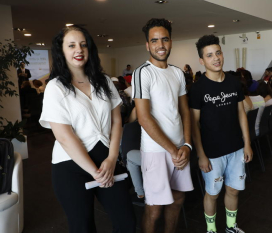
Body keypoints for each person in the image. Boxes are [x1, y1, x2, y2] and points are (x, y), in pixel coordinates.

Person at [39, 25, 136, 233]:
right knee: (82, 227)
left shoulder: (104, 81)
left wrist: (111, 159)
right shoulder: (55, 87)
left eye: (83, 45)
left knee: (126, 222)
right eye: (71, 45)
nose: (79, 50)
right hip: (70, 167)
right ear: (62, 51)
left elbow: (117, 122)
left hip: (107, 160)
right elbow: (64, 137)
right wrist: (95, 172)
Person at [132, 18, 193, 233]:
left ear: (171, 42)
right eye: (154, 40)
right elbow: (143, 118)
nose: (160, 45)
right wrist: (174, 150)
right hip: (157, 152)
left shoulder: (177, 73)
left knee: (177, 200)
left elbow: (185, 111)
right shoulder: (143, 73)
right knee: (154, 208)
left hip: (179, 149)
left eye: (164, 39)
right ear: (147, 45)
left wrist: (186, 145)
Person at [189, 35, 252, 233]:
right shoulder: (198, 89)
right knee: (212, 193)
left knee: (233, 190)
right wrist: (201, 154)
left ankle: (231, 227)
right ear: (202, 60)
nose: (216, 58)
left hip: (236, 149)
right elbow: (194, 123)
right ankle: (211, 230)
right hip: (212, 153)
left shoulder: (234, 83)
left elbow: (241, 112)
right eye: (209, 55)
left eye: (218, 53)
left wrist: (247, 143)